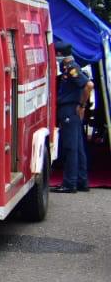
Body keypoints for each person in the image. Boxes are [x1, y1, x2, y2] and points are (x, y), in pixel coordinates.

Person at [53, 54, 94, 194]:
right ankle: (82, 181)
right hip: (72, 110)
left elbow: (89, 85)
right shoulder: (69, 68)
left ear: (60, 55)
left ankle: (70, 183)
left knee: (70, 148)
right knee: (78, 148)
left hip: (70, 110)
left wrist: (82, 105)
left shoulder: (72, 68)